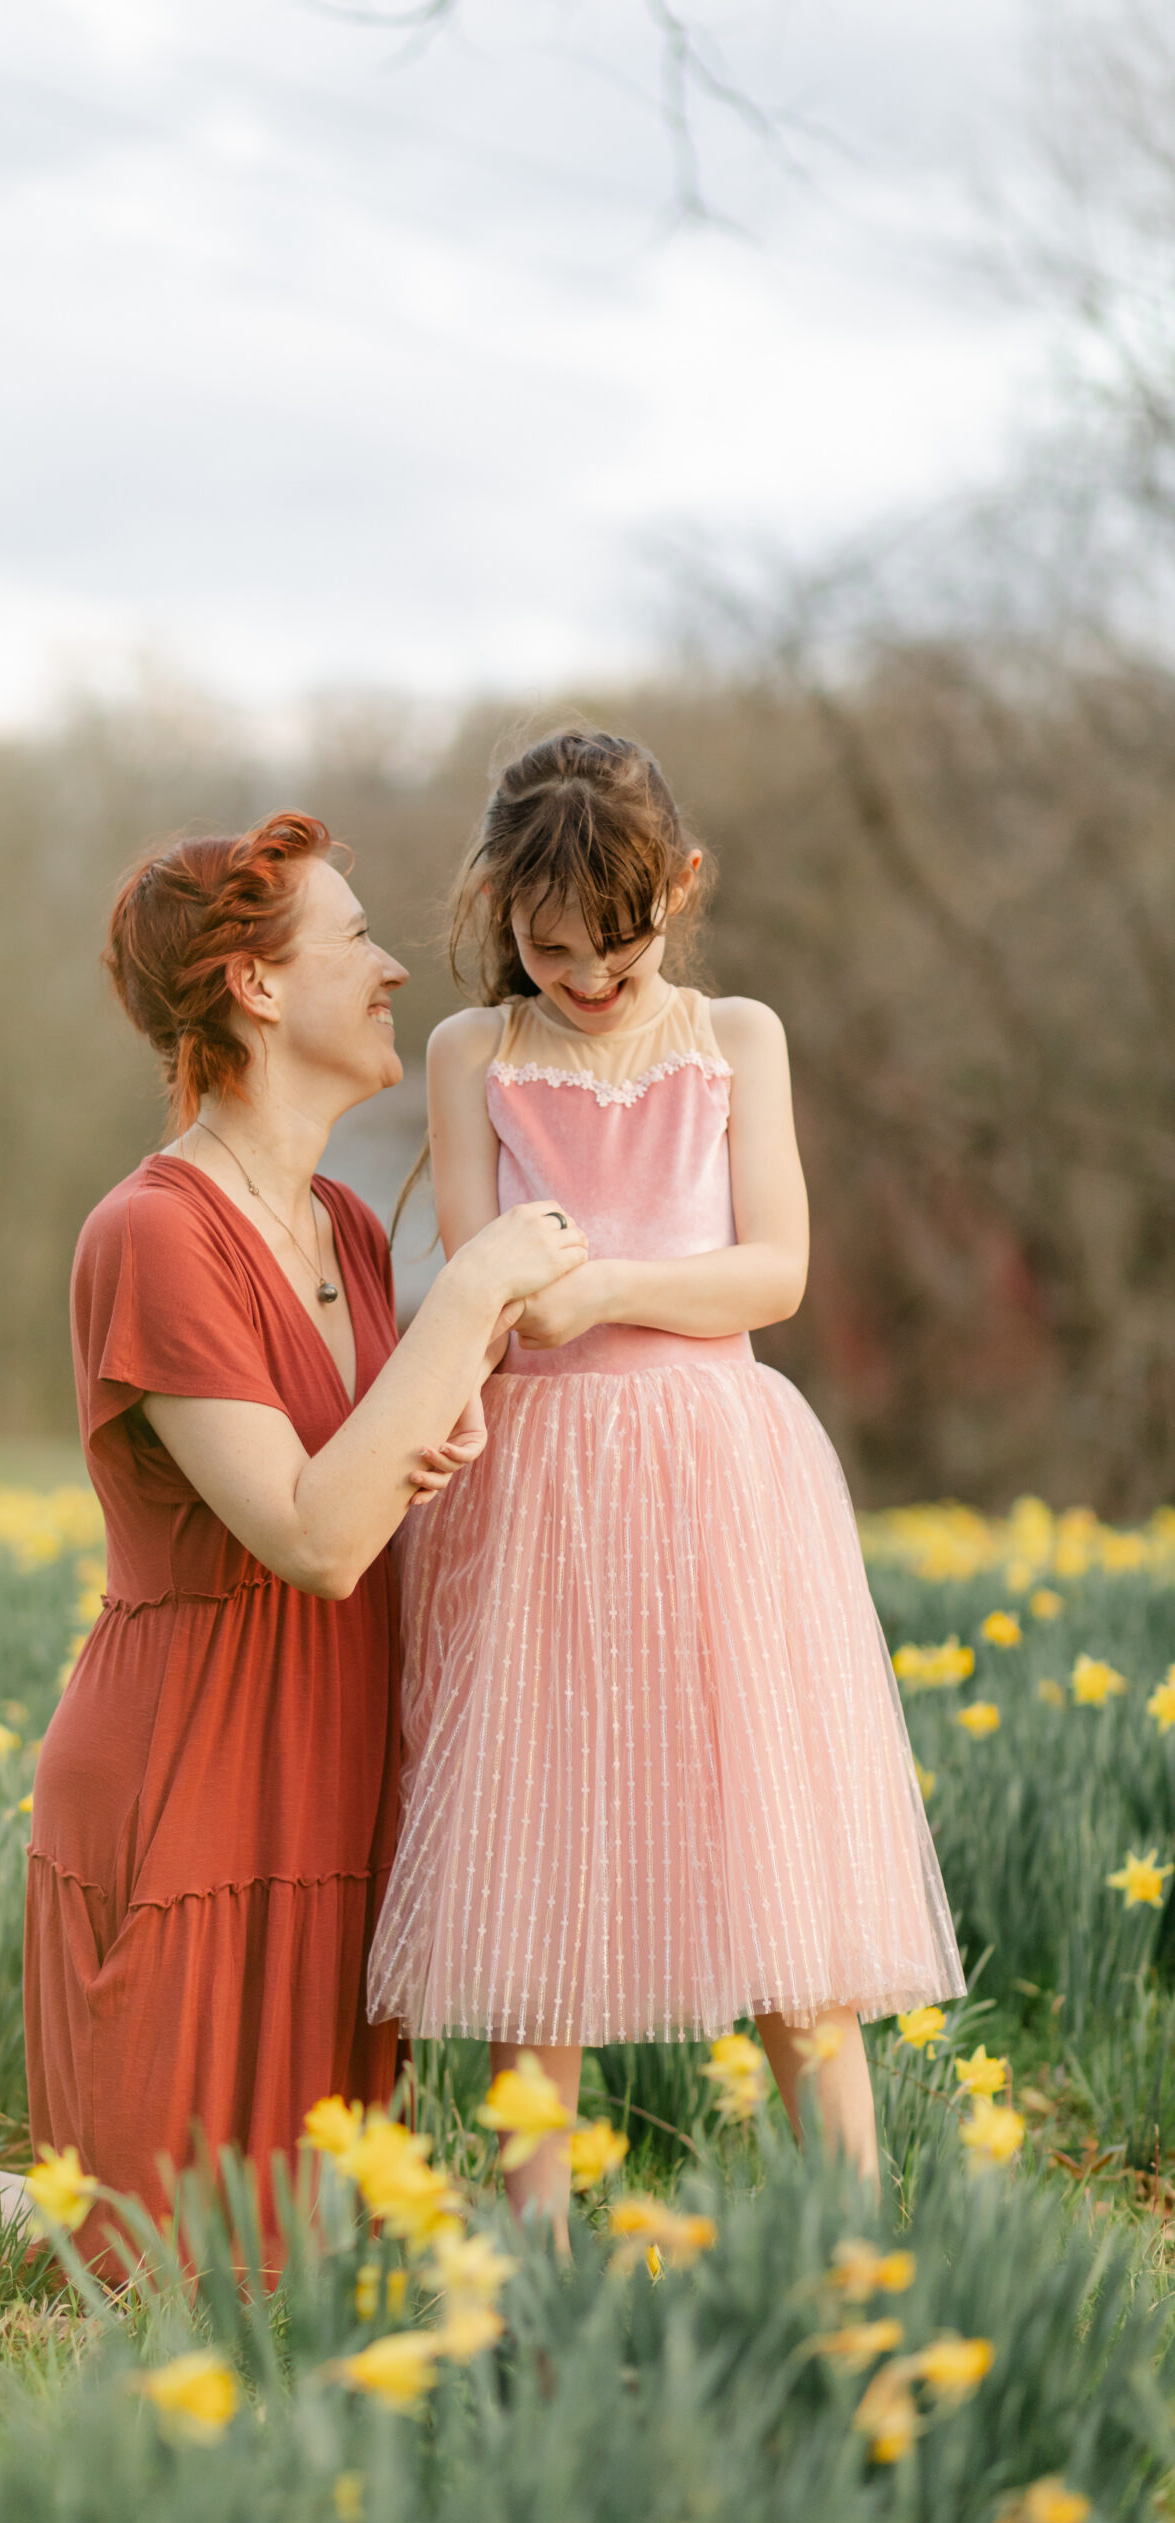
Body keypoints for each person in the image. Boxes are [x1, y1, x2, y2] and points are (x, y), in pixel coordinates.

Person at [366, 731, 964, 2218]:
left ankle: (856, 2235)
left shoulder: (733, 1038)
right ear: (502, 907)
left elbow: (773, 1271)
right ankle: (530, 2260)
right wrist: (512, 1309)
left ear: (680, 891)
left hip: (714, 1473)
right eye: (547, 945)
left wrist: (608, 1287)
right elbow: (467, 1275)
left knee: (770, 1837)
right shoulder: (473, 1058)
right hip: (542, 1487)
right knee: (538, 1844)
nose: (580, 979)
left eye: (613, 950)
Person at [23, 808, 585, 2263]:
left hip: (335, 1771)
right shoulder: (150, 1235)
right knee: (165, 2269)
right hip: (196, 1781)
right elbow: (310, 1537)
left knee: (308, 2264)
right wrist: (470, 1298)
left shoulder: (341, 1222)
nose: (393, 966)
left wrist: (432, 1435)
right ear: (258, 988)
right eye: (352, 938)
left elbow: (364, 1473)